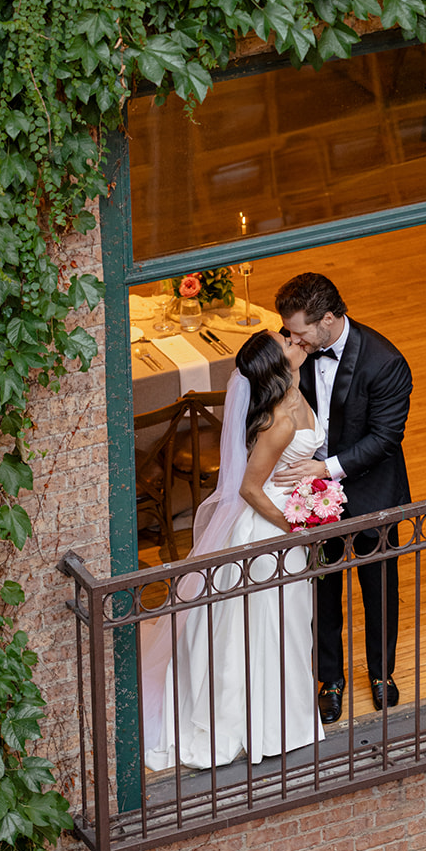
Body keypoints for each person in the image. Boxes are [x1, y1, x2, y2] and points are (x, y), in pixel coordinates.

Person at [142, 328, 324, 770]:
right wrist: (294, 528)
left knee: (290, 625)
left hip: (287, 521)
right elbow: (248, 488)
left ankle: (287, 723)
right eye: (286, 344)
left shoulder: (299, 395)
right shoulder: (279, 421)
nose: (294, 342)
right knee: (260, 629)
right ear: (276, 367)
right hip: (265, 537)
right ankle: (253, 725)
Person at [273, 272, 412, 721]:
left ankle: (380, 673)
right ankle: (329, 678)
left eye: (299, 332)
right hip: (311, 498)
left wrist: (326, 469)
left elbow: (385, 438)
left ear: (329, 319)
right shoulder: (299, 350)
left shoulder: (385, 361)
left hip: (372, 493)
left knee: (379, 588)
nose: (290, 340)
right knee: (323, 590)